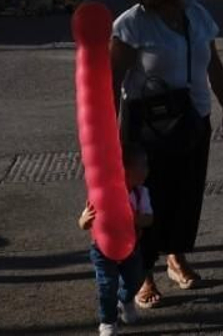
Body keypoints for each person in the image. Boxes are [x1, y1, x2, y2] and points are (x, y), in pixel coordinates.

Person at [112, 0, 223, 310]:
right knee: (148, 199)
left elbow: (214, 64)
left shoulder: (197, 16)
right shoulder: (133, 24)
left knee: (186, 193)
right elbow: (111, 79)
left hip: (193, 119)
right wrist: (107, 138)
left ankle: (177, 256)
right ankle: (143, 274)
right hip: (146, 127)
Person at [79, 143, 154, 336]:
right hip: (103, 249)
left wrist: (134, 217)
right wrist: (85, 220)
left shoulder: (140, 193)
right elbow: (85, 221)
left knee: (135, 280)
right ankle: (108, 321)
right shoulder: (104, 193)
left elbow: (149, 219)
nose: (147, 169)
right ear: (125, 170)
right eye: (142, 165)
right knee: (107, 285)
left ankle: (126, 301)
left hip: (131, 247)